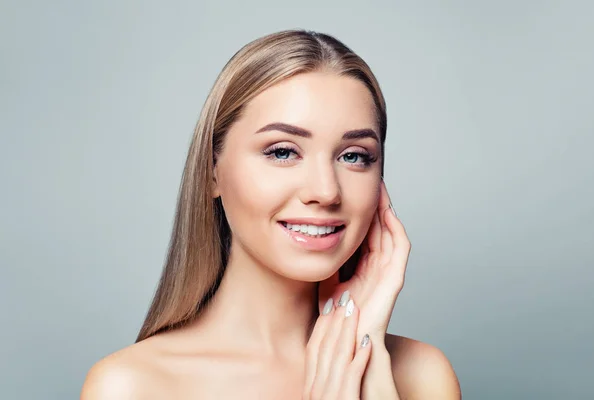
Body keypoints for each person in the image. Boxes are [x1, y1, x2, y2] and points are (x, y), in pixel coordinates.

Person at [81, 29, 461, 399]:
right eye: (282, 152)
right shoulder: (132, 386)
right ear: (212, 170)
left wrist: (369, 367)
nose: (325, 191)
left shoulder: (421, 377)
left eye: (353, 156)